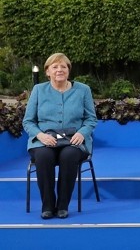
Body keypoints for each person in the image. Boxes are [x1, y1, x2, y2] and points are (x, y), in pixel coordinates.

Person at [22, 53, 97, 220]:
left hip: (74, 140)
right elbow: (28, 121)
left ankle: (63, 205)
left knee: (69, 155)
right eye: (54, 67)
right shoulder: (38, 90)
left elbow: (91, 119)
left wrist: (82, 133)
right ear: (47, 71)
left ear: (69, 70)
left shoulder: (83, 90)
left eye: (63, 66)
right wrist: (40, 135)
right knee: (43, 155)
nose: (59, 70)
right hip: (44, 140)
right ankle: (47, 206)